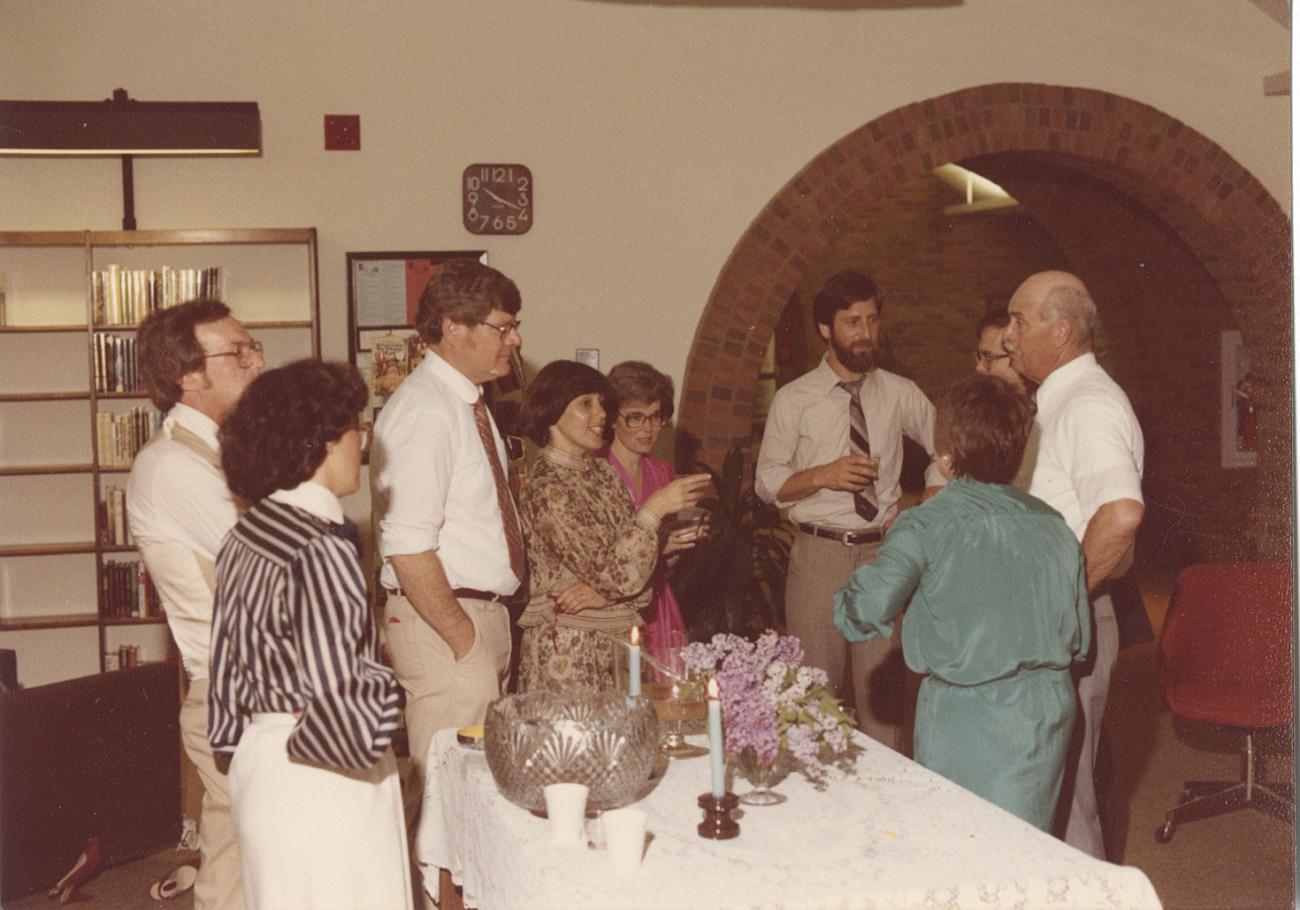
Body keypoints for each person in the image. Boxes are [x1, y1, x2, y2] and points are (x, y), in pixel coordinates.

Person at [833, 373, 1090, 830]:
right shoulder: (1055, 526)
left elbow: (867, 609)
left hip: (968, 714)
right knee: (1027, 844)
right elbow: (1079, 638)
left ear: (947, 460)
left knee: (960, 842)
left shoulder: (926, 524)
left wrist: (850, 593)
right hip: (1046, 710)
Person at [208, 359, 409, 910]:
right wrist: (392, 687)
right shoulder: (320, 546)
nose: (361, 447)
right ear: (319, 442)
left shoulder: (246, 533)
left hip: (262, 760)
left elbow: (225, 673)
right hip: (326, 774)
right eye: (355, 430)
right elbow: (345, 701)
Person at [754, 270, 944, 751]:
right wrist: (822, 475)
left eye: (872, 320)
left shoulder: (900, 392)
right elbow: (766, 483)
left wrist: (925, 505)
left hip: (883, 556)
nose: (865, 333)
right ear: (826, 329)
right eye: (852, 322)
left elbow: (950, 451)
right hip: (818, 556)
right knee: (814, 697)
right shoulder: (793, 400)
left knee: (884, 703)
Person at [369, 258, 524, 825]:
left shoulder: (464, 404)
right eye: (502, 327)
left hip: (474, 617)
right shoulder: (427, 409)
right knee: (451, 810)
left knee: (474, 804)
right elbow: (406, 545)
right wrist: (463, 641)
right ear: (453, 327)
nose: (515, 339)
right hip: (448, 622)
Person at [127, 299, 264, 910]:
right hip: (238, 694)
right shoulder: (174, 467)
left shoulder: (231, 452)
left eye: (253, 346)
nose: (257, 362)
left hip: (261, 687)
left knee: (243, 862)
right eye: (238, 352)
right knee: (241, 870)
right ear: (188, 375)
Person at [1003, 270, 1145, 859]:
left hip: (1068, 618)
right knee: (1042, 786)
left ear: (1061, 331)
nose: (1008, 337)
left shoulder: (1086, 405)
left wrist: (1060, 605)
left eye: (1018, 321)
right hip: (1051, 615)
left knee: (1064, 798)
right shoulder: (1057, 401)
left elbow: (1120, 515)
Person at [514, 360, 709, 691]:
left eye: (602, 403)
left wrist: (605, 596)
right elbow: (614, 572)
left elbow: (633, 571)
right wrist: (656, 507)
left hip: (618, 644)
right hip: (569, 651)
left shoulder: (603, 474)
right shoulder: (545, 488)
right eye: (585, 404)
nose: (601, 414)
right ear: (552, 410)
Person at [603, 360, 693, 654]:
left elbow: (668, 564)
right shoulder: (597, 471)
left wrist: (677, 544)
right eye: (635, 418)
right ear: (613, 418)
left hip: (657, 603)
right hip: (612, 609)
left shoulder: (662, 472)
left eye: (655, 417)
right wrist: (658, 548)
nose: (648, 429)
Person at [975, 309, 1038, 490]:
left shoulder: (1046, 413)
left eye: (988, 357)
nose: (979, 367)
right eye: (979, 356)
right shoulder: (990, 411)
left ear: (1017, 354)